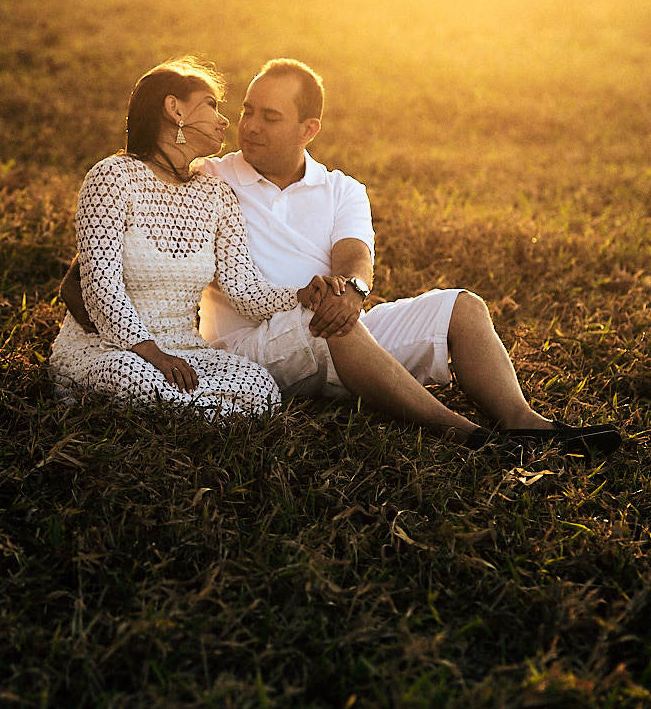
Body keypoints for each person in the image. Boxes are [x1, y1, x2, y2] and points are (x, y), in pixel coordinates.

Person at [60, 58, 621, 457]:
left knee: (462, 308)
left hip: (321, 316)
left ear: (310, 129)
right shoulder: (211, 172)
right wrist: (99, 302)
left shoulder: (339, 189)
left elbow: (355, 259)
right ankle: (468, 438)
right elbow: (115, 245)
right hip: (252, 341)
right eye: (245, 109)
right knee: (334, 319)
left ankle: (527, 426)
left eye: (269, 117)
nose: (246, 125)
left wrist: (344, 291)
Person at [49, 57, 327, 418]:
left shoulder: (216, 193)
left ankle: (181, 413)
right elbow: (101, 286)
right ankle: (200, 414)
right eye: (211, 105)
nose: (224, 120)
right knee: (132, 377)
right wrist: (149, 351)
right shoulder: (111, 178)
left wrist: (299, 296)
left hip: (183, 348)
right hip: (110, 349)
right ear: (174, 109)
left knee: (261, 387)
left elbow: (243, 288)